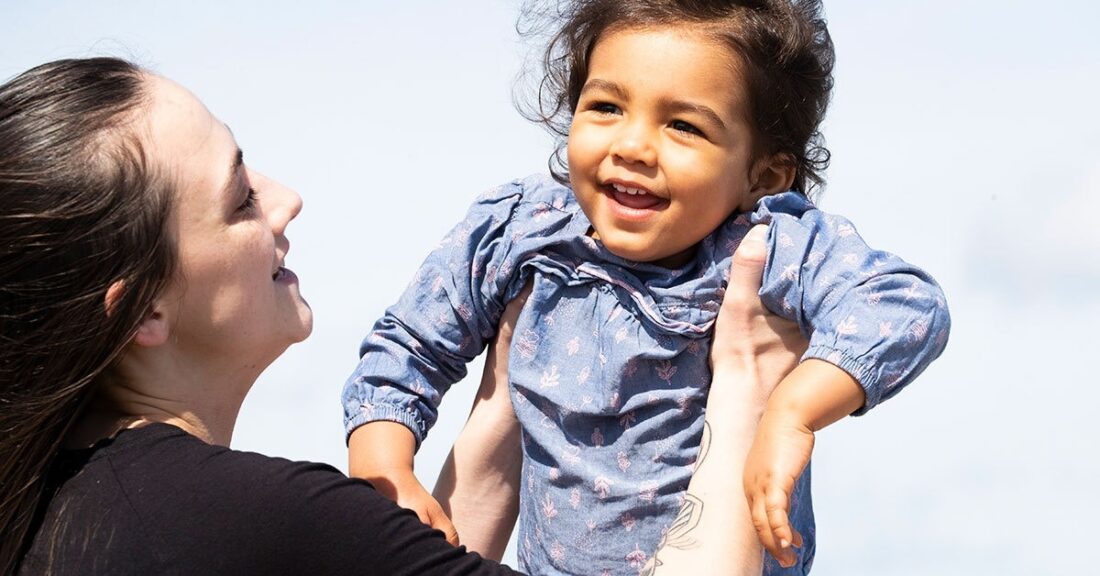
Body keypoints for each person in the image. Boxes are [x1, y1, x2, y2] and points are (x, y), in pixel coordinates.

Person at [0, 57, 799, 576]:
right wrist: (747, 393)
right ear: (143, 310)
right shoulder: (262, 522)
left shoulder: (56, 511)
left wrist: (499, 422)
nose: (285, 199)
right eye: (240, 199)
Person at [341, 1, 952, 574]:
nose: (632, 146)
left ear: (762, 175)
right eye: (606, 107)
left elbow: (903, 305)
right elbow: (408, 347)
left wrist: (794, 413)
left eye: (683, 126)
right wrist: (383, 464)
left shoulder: (766, 248)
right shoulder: (524, 230)